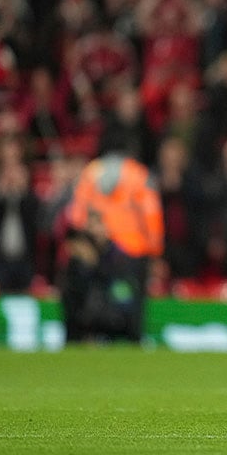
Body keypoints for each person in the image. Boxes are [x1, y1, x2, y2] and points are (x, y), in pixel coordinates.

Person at [62, 130, 164, 342]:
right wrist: (155, 251)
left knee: (90, 293)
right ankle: (132, 339)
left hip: (98, 247)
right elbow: (152, 214)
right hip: (133, 250)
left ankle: (82, 336)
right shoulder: (139, 174)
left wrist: (85, 240)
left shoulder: (91, 172)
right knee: (131, 300)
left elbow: (76, 214)